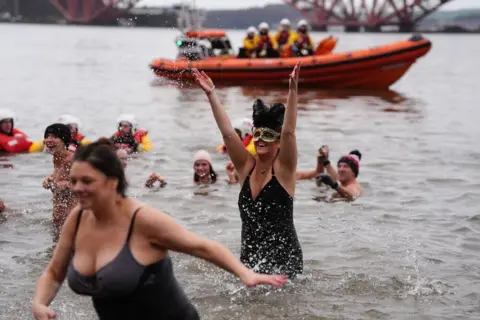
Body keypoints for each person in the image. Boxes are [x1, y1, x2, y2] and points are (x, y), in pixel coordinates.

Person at [32, 138, 287, 320]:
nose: (76, 188)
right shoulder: (77, 219)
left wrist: (245, 273)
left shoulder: (142, 220)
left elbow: (201, 246)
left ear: (111, 182)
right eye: (74, 180)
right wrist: (40, 303)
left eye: (87, 181)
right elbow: (54, 273)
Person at [192, 62, 303, 278]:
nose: (261, 139)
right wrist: (211, 94)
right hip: (250, 258)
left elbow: (289, 132)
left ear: (278, 142)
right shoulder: (245, 167)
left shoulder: (284, 170)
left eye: (268, 135)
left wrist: (293, 91)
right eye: (258, 133)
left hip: (284, 262)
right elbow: (227, 133)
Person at [42, 124, 77, 232]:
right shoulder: (56, 158)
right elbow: (64, 176)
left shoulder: (72, 159)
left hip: (74, 222)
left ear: (64, 140)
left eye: (54, 137)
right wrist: (50, 178)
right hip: (59, 222)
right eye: (47, 136)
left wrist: (67, 185)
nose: (49, 140)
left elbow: (92, 184)